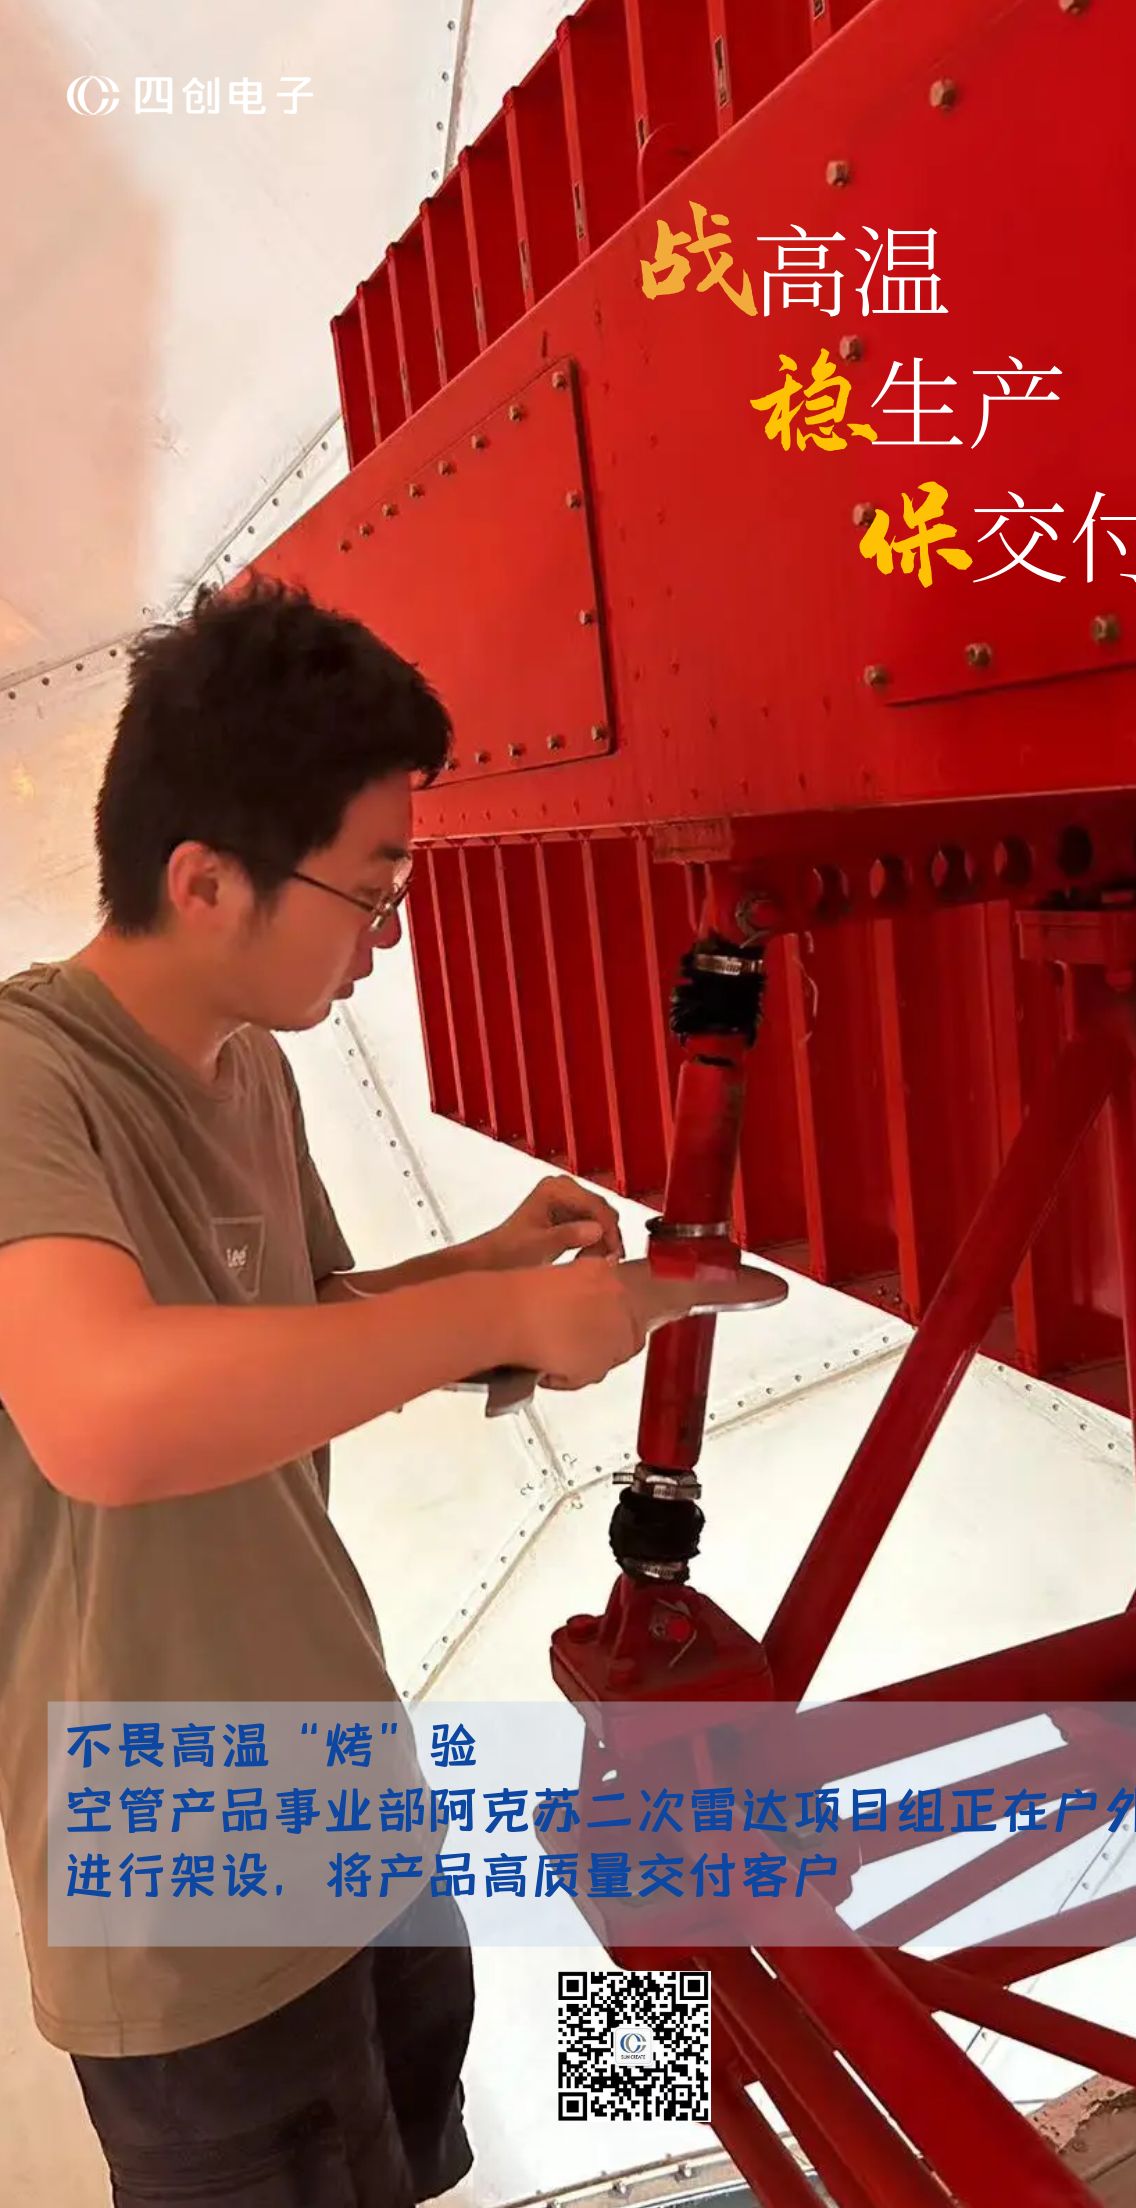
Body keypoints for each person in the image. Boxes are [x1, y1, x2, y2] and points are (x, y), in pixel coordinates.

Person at [0, 573, 656, 2206]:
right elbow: (111, 1417)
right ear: (204, 878)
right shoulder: (24, 1081)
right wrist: (492, 1312)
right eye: (370, 893)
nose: (388, 937)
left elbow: (291, 1333)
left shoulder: (252, 1068)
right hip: (180, 1900)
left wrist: (481, 1279)